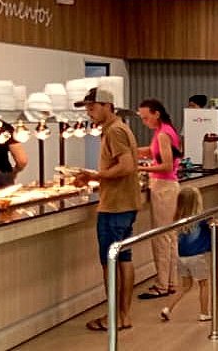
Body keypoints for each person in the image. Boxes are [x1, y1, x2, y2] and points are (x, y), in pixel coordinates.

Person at [73, 87, 142, 332]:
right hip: (125, 203)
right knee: (123, 259)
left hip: (115, 206)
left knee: (110, 262)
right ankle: (123, 315)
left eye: (92, 107)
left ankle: (115, 316)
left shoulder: (114, 131)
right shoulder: (119, 128)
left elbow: (126, 166)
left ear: (107, 106)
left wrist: (95, 176)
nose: (89, 112)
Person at [159, 186, 218, 322]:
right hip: (197, 256)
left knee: (184, 286)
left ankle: (167, 308)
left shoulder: (178, 218)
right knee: (204, 284)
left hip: (181, 257)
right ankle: (204, 313)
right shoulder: (203, 218)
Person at [136, 98, 182, 299]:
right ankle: (170, 281)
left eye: (146, 118)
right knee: (169, 236)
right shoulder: (164, 131)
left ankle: (162, 284)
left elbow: (166, 166)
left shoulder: (163, 134)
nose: (144, 121)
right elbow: (153, 151)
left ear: (156, 114)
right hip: (168, 186)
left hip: (164, 187)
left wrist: (138, 167)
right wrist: (132, 151)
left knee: (161, 237)